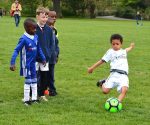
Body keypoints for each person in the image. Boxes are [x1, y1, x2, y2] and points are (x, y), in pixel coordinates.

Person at [88, 34, 135, 102]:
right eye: (113, 44)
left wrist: (131, 47)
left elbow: (127, 49)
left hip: (123, 76)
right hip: (114, 74)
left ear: (121, 44)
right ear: (111, 44)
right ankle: (102, 83)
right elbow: (102, 61)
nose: (115, 45)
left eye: (117, 44)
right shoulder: (110, 52)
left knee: (124, 90)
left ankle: (117, 103)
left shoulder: (123, 51)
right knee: (105, 91)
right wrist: (92, 68)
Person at [10, 18, 46, 106]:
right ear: (27, 28)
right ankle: (26, 100)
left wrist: (43, 58)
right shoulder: (23, 39)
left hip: (33, 63)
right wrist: (12, 62)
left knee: (34, 80)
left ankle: (34, 99)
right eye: (33, 28)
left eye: (35, 28)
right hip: (26, 64)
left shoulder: (36, 37)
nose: (35, 30)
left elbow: (39, 49)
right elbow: (16, 50)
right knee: (28, 81)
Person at [35, 7, 57, 101]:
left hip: (45, 58)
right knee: (34, 76)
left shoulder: (49, 30)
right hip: (35, 58)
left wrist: (48, 54)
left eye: (46, 17)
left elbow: (52, 44)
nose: (44, 19)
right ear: (37, 17)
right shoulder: (33, 28)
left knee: (44, 76)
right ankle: (33, 93)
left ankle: (41, 93)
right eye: (42, 17)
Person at [45, 17, 59, 95]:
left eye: (52, 25)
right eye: (49, 25)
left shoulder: (54, 34)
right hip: (45, 59)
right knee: (43, 75)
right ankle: (42, 89)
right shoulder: (44, 36)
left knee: (51, 75)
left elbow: (56, 46)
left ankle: (52, 90)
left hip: (52, 59)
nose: (52, 27)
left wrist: (57, 55)